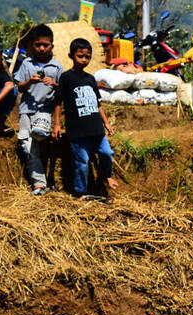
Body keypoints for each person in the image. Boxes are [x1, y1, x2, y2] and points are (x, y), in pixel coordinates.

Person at [52, 38, 119, 200]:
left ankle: (106, 176)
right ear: (71, 56)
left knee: (106, 152)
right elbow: (58, 102)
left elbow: (98, 104)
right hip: (77, 130)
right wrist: (57, 125)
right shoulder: (66, 78)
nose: (84, 60)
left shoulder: (90, 79)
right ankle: (80, 191)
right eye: (80, 56)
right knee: (82, 161)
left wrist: (106, 122)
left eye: (87, 57)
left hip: (96, 128)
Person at [13, 25, 63, 195]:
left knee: (40, 134)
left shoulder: (57, 68)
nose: (41, 48)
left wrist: (54, 84)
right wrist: (30, 82)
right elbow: (20, 87)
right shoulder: (27, 64)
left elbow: (61, 92)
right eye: (37, 45)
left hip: (45, 110)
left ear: (52, 46)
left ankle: (44, 154)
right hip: (27, 109)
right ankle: (39, 183)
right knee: (27, 146)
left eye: (45, 45)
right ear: (32, 46)